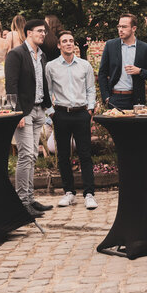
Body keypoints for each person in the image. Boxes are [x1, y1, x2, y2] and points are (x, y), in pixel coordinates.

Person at [45, 30, 98, 210]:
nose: (68, 43)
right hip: (61, 114)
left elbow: (91, 89)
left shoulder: (84, 65)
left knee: (85, 155)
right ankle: (69, 193)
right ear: (59, 45)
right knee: (63, 156)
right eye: (64, 41)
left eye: (71, 41)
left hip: (81, 113)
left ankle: (89, 194)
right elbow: (47, 91)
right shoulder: (51, 66)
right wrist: (51, 113)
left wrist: (90, 109)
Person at [5, 19, 53, 218]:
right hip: (24, 112)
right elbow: (11, 85)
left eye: (44, 31)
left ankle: (30, 198)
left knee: (32, 155)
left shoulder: (42, 56)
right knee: (26, 156)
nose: (43, 34)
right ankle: (22, 202)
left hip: (39, 109)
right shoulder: (16, 54)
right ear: (28, 33)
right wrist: (17, 113)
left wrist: (47, 108)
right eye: (39, 31)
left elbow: (43, 84)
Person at [98, 14, 147, 110]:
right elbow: (102, 73)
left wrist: (140, 71)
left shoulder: (144, 48)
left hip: (136, 100)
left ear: (133, 28)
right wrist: (106, 97)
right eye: (119, 26)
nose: (120, 30)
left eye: (124, 27)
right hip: (115, 98)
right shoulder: (110, 45)